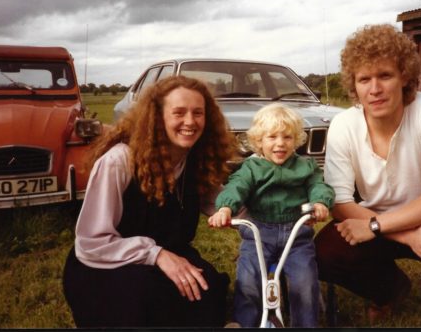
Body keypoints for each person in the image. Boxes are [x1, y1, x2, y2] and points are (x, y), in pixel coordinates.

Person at [314, 24, 421, 327]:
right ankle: (389, 290)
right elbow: (339, 202)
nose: (375, 89)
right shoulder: (344, 124)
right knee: (325, 251)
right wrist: (406, 236)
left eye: (385, 75)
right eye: (364, 79)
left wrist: (375, 225)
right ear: (353, 85)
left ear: (405, 76)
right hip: (377, 221)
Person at [62, 76, 236, 328]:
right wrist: (156, 254)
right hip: (108, 261)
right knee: (144, 295)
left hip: (168, 253)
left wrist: (277, 212)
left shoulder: (195, 159)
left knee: (206, 287)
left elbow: (222, 203)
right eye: (179, 112)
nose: (190, 121)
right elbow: (91, 242)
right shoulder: (119, 161)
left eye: (198, 113)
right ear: (158, 117)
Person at [208, 103, 335, 327]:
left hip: (296, 237)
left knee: (305, 283)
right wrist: (226, 207)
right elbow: (236, 187)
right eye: (272, 137)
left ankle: (305, 325)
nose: (280, 143)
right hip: (259, 235)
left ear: (296, 140)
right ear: (259, 141)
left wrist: (319, 201)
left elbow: (319, 185)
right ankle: (245, 323)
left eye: (287, 137)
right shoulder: (251, 168)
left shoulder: (305, 166)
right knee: (248, 280)